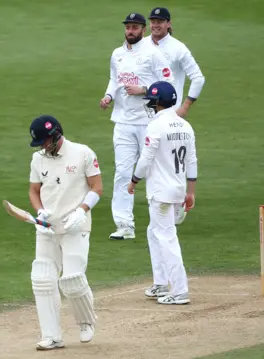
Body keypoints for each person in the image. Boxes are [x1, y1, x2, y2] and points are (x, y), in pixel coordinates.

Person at [27, 115, 103, 350]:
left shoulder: (83, 153)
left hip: (75, 227)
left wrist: (82, 211)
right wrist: (40, 213)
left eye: (44, 141)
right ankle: (51, 336)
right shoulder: (37, 159)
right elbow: (33, 191)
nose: (42, 147)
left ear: (56, 134)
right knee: (42, 278)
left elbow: (97, 187)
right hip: (48, 229)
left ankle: (86, 322)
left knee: (71, 280)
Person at [100, 12, 174, 240]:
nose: (130, 31)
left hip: (148, 121)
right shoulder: (117, 54)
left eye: (135, 27)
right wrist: (108, 96)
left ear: (143, 30)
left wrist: (143, 90)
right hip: (122, 122)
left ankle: (163, 218)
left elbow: (167, 83)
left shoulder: (153, 53)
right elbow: (115, 79)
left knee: (154, 171)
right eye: (128, 27)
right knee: (122, 173)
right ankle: (125, 225)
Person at [128, 81, 197, 305]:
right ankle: (161, 283)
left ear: (158, 104)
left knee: (166, 237)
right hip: (177, 189)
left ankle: (179, 290)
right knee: (154, 232)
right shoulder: (185, 125)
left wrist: (134, 180)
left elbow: (146, 158)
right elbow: (192, 160)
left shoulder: (156, 126)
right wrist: (191, 192)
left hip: (161, 192)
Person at [148, 7, 205, 120]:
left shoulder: (178, 48)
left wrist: (185, 107)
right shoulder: (141, 45)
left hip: (170, 114)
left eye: (159, 22)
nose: (155, 25)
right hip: (142, 114)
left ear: (168, 24)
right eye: (153, 22)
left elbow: (198, 78)